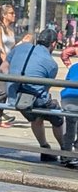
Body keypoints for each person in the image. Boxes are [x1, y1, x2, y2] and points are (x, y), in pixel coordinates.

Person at [6, 29, 67, 163]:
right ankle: (65, 150)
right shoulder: (51, 64)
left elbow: (3, 67)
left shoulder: (20, 48)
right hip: (33, 99)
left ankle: (44, 147)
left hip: (14, 97)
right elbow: (44, 89)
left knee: (36, 117)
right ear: (53, 44)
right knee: (57, 116)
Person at [59, 47, 78, 169]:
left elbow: (67, 82)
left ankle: (65, 154)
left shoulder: (74, 66)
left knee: (70, 127)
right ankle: (76, 153)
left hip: (67, 99)